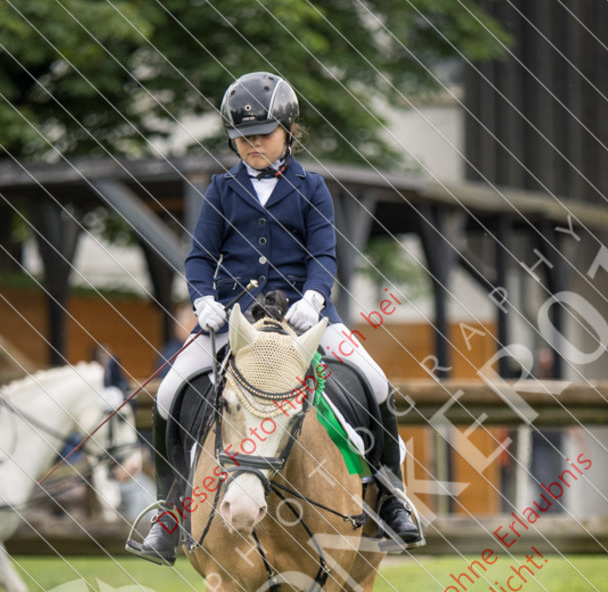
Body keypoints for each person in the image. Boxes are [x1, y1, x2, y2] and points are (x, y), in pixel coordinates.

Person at [136, 71, 422, 565]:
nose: (251, 145)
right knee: (167, 393)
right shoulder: (221, 190)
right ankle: (170, 512)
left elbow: (325, 255)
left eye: (262, 135)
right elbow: (200, 257)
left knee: (374, 381)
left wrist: (313, 296)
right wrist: (202, 298)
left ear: (287, 130)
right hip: (235, 322)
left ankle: (392, 497)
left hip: (307, 318)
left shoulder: (312, 187)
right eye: (242, 138)